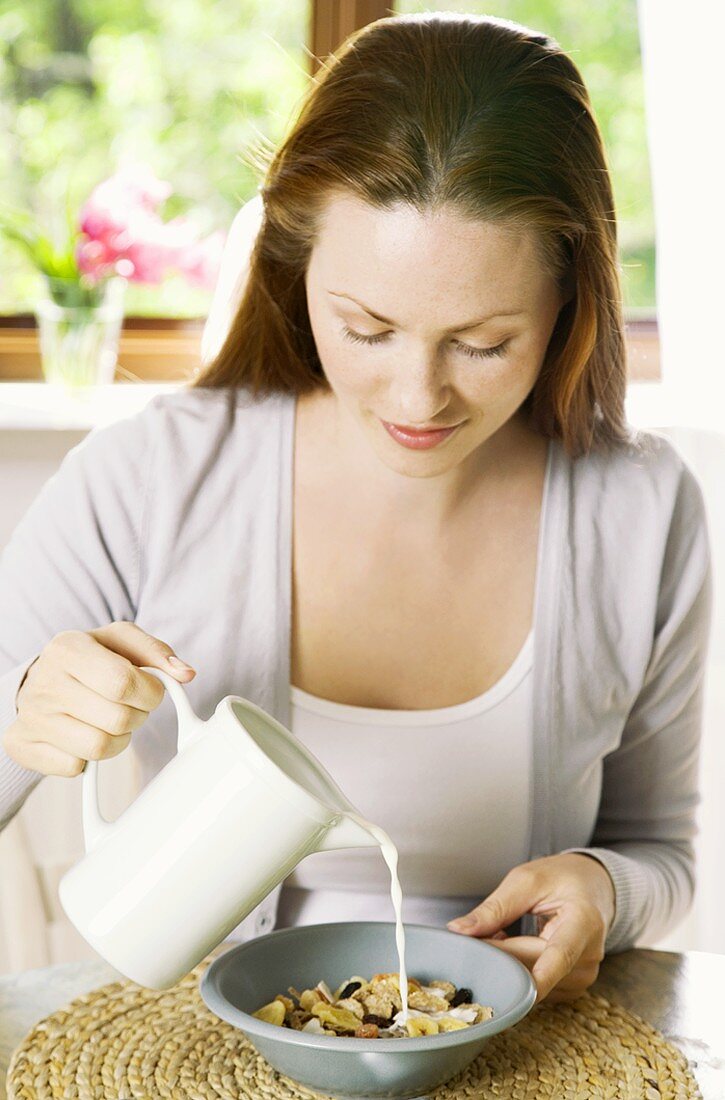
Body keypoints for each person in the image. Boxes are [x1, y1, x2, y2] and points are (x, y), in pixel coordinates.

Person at [0, 12, 712, 1006]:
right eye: (367, 326)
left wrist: (603, 886)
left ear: (566, 304)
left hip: (516, 1048)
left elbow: (659, 849)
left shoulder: (640, 514)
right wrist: (23, 711)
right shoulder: (145, 480)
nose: (417, 399)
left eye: (483, 341)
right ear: (295, 273)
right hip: (196, 1045)